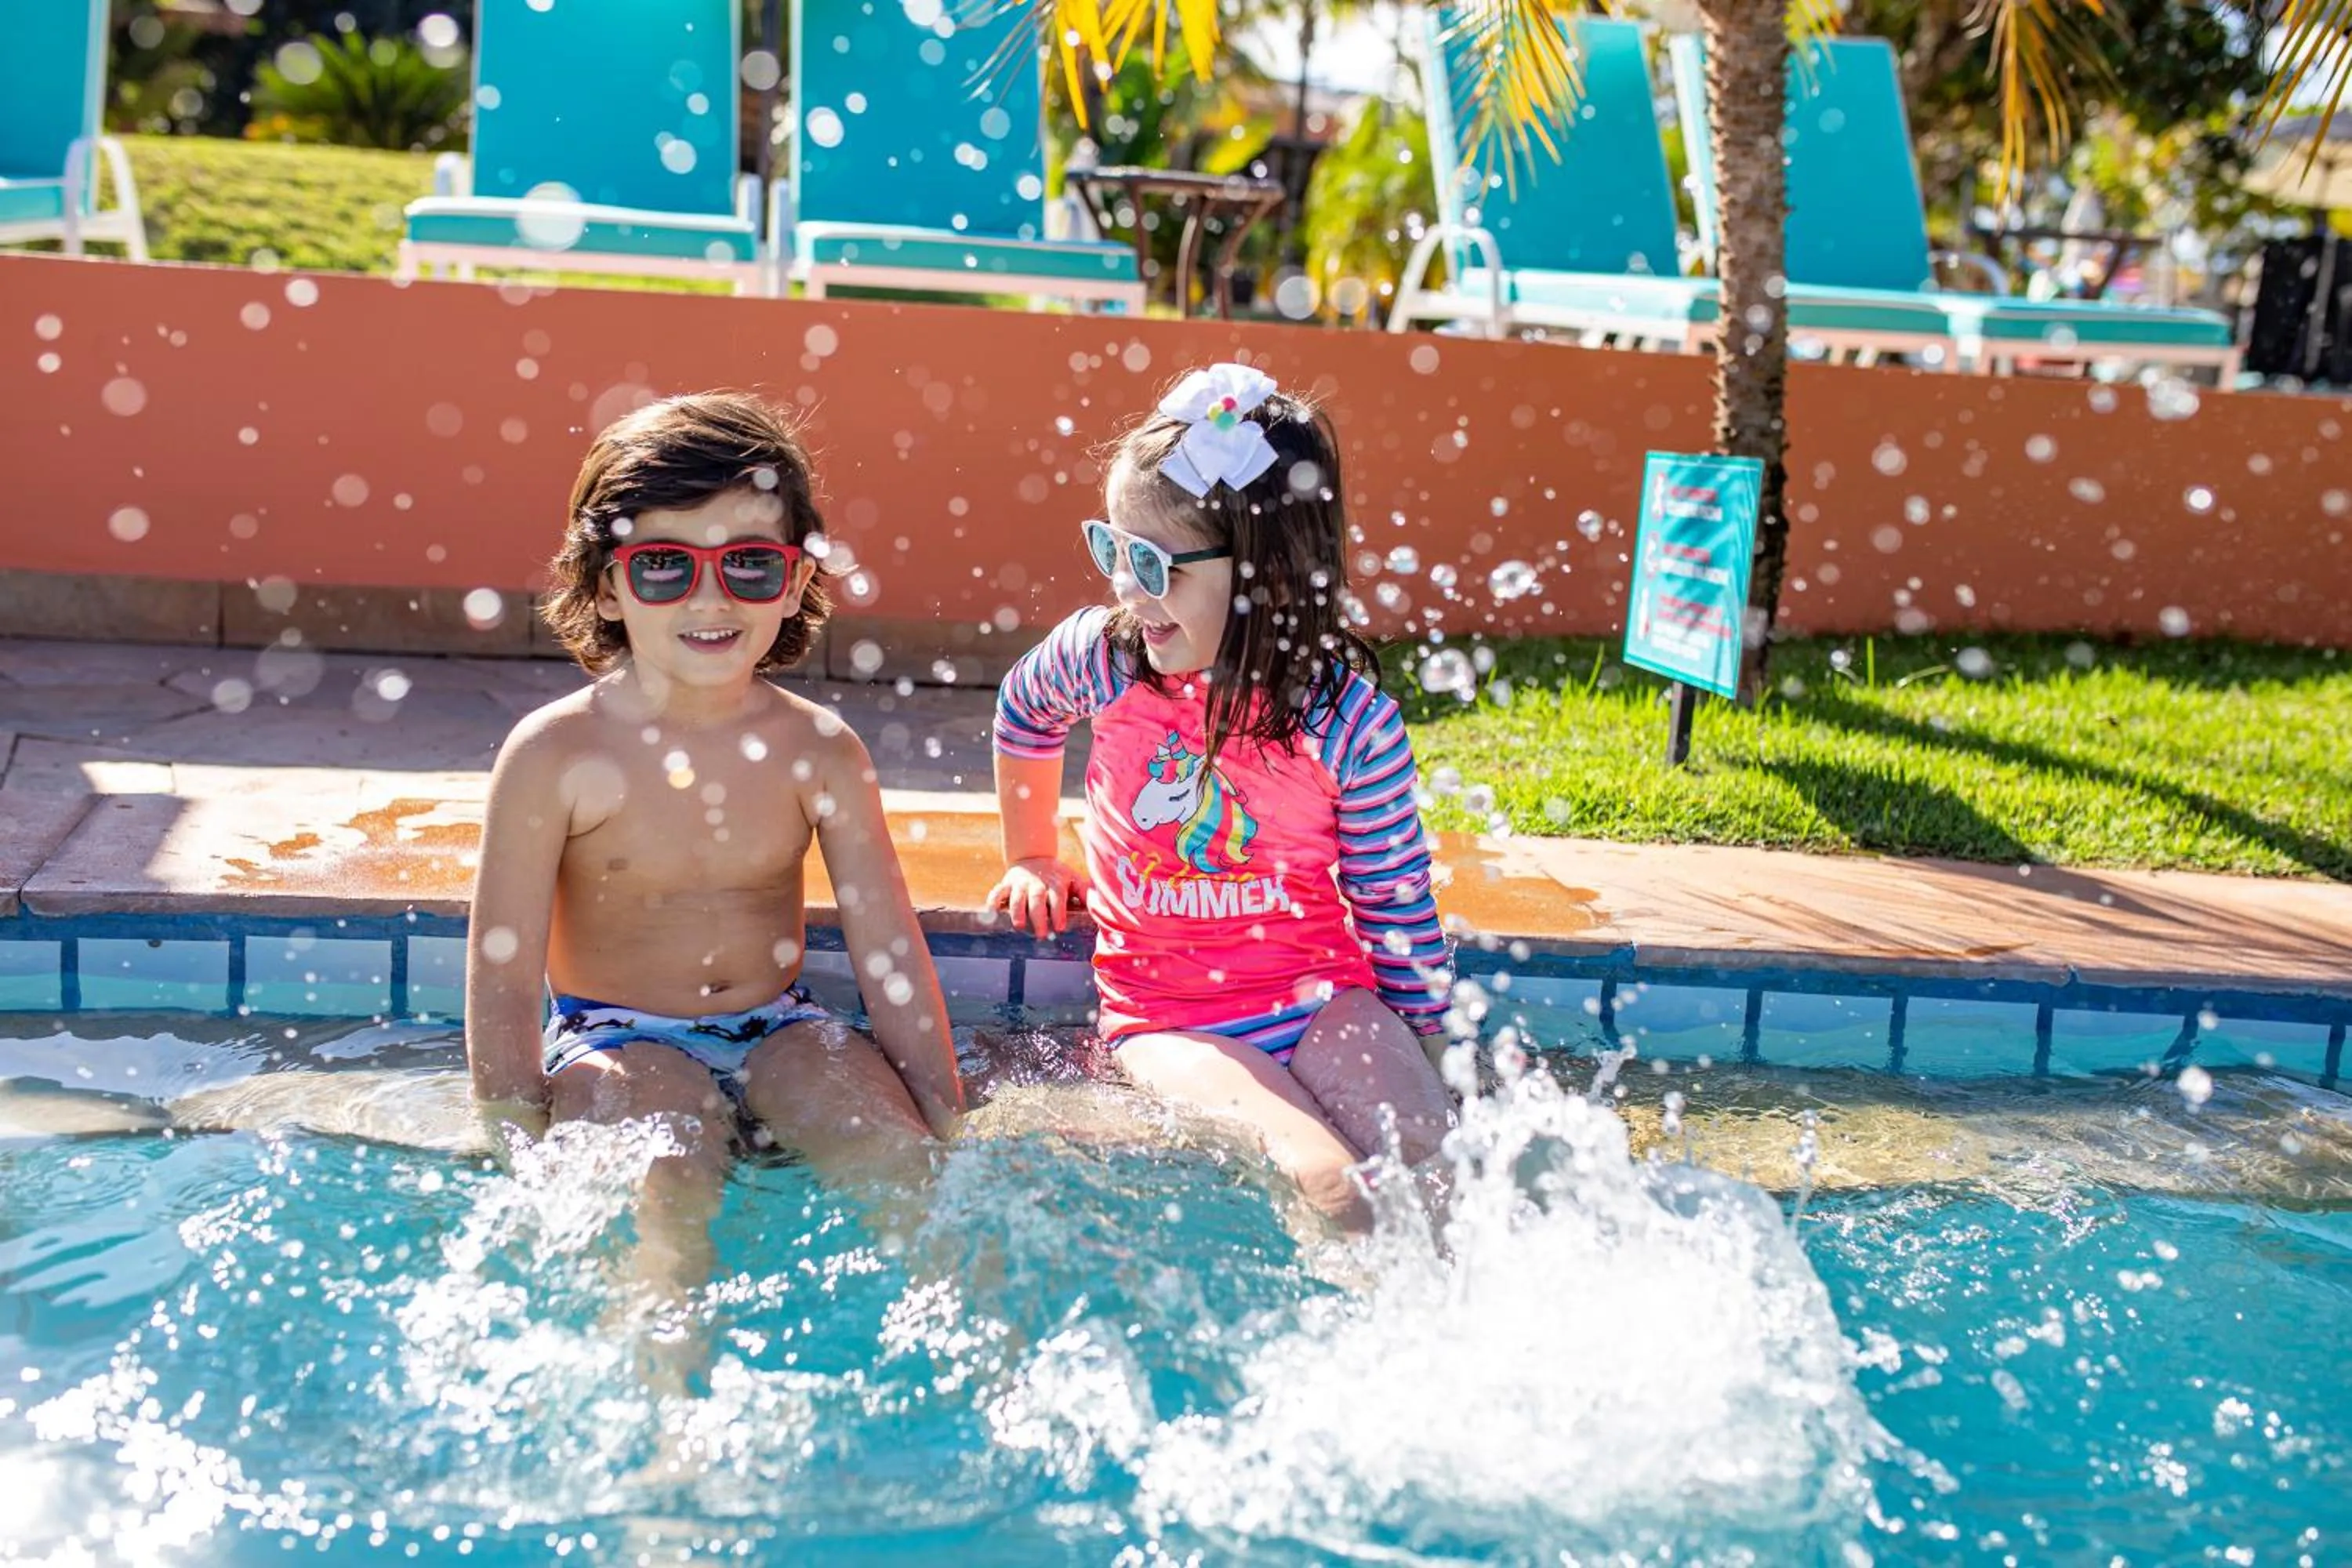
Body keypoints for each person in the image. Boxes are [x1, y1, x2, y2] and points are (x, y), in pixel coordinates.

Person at [465, 392, 965, 1345]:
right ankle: (666, 1425)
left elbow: (889, 950)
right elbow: (501, 974)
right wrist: (512, 1134)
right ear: (605, 586)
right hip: (616, 1036)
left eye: (748, 564)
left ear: (792, 582)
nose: (711, 598)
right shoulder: (553, 755)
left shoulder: (819, 750)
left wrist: (945, 1114)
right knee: (664, 1194)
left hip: (785, 1026)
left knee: (904, 1171)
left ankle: (996, 1383)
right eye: (664, 565)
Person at [987, 363, 1455, 1229]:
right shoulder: (1108, 656)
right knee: (1330, 1180)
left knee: (1438, 1163)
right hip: (1172, 1019)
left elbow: (1396, 907)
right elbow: (1024, 710)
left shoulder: (1346, 720)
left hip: (1324, 1000)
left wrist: (1433, 1059)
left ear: (1264, 574)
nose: (1126, 586)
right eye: (1112, 548)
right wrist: (1031, 852)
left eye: (1154, 562)